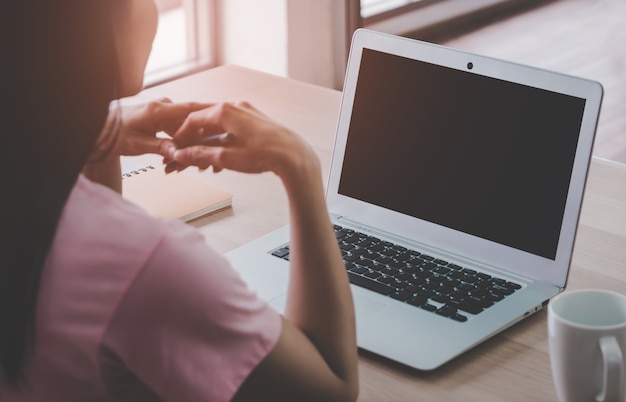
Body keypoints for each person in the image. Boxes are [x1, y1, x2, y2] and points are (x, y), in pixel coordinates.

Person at [0, 0, 359, 401]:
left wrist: (92, 136)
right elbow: (330, 390)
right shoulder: (143, 264)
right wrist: (300, 165)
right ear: (103, 27)